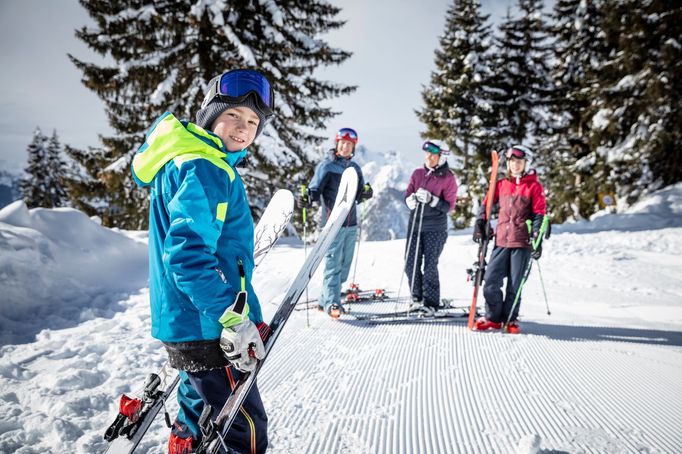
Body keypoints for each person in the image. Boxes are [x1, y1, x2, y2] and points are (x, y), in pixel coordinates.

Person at [131, 69, 274, 453]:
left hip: (189, 322)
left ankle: (185, 441)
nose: (243, 129)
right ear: (211, 115)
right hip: (211, 325)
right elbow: (188, 256)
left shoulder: (185, 159)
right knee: (244, 425)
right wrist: (233, 316)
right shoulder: (206, 167)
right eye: (234, 115)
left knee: (201, 399)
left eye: (253, 122)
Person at [298, 128, 373, 318]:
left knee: (345, 267)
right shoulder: (327, 166)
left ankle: (325, 300)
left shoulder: (354, 168)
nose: (346, 147)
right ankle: (332, 303)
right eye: (343, 143)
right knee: (333, 265)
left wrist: (365, 193)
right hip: (332, 224)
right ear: (337, 144)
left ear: (353, 147)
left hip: (351, 223)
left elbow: (358, 193)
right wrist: (308, 197)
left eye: (349, 144)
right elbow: (315, 189)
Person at [472, 144, 547, 334]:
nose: (515, 165)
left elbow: (540, 213)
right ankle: (493, 318)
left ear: (526, 163)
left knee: (515, 284)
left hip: (522, 242)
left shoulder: (534, 186)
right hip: (501, 241)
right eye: (512, 161)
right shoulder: (502, 184)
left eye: (519, 162)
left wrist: (537, 237)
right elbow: (487, 204)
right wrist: (481, 221)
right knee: (490, 282)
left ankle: (510, 319)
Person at [404, 140, 458, 313]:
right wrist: (410, 201)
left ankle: (431, 302)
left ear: (442, 157)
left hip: (435, 227)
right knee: (410, 263)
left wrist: (431, 199)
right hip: (415, 225)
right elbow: (407, 195)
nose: (429, 157)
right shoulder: (417, 173)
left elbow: (449, 206)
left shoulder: (448, 178)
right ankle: (417, 297)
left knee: (429, 266)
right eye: (427, 153)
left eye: (433, 154)